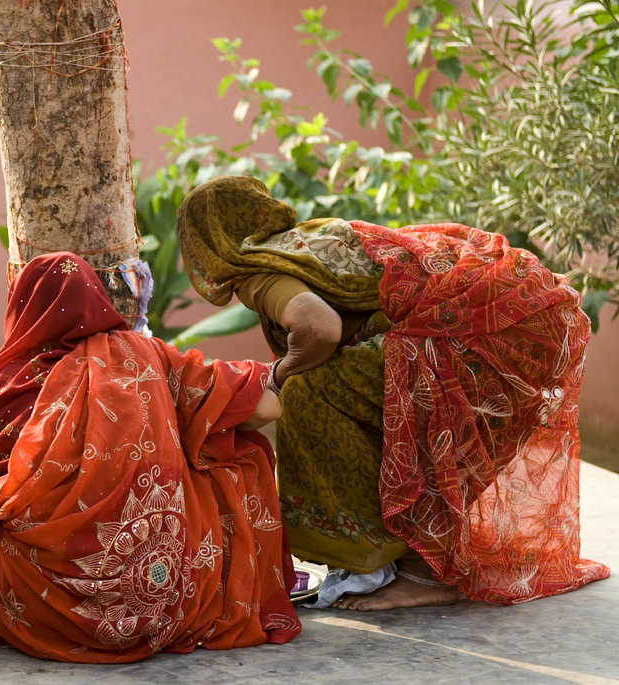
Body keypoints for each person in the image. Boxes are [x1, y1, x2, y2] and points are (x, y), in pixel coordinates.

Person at [176, 175, 610, 610]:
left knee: (308, 391)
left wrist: (281, 372)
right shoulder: (306, 238)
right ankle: (424, 570)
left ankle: (378, 558)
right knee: (422, 427)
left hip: (474, 334)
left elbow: (318, 328)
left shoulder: (262, 271)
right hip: (523, 323)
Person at [0, 252, 300, 663]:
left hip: (36, 611)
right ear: (97, 300)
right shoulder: (145, 356)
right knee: (223, 460)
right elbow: (266, 409)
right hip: (160, 603)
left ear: (21, 309)